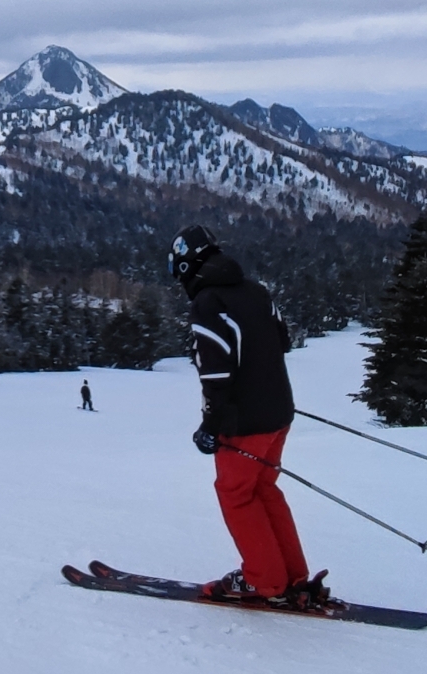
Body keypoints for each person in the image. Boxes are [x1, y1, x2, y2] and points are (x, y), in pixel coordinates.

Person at [168, 224, 327, 607]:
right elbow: (282, 341)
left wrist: (210, 425)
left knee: (235, 494)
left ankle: (265, 580)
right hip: (278, 413)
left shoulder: (208, 303)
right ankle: (291, 574)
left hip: (243, 423)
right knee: (263, 489)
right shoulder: (256, 291)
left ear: (189, 267)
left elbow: (217, 374)